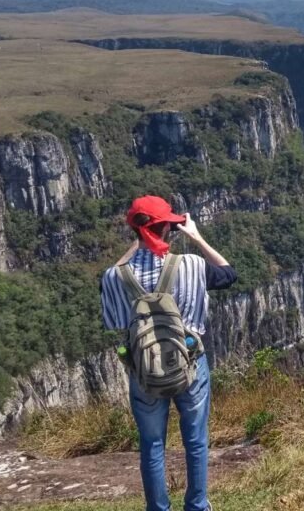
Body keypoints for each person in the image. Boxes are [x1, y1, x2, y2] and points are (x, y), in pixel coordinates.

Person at [100, 195, 237, 511]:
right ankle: (197, 506)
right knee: (195, 440)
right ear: (168, 228)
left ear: (135, 230)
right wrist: (194, 234)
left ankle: (158, 508)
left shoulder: (114, 278)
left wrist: (139, 241)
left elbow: (111, 285)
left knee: (151, 444)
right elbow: (229, 274)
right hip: (190, 365)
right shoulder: (192, 265)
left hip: (144, 371)